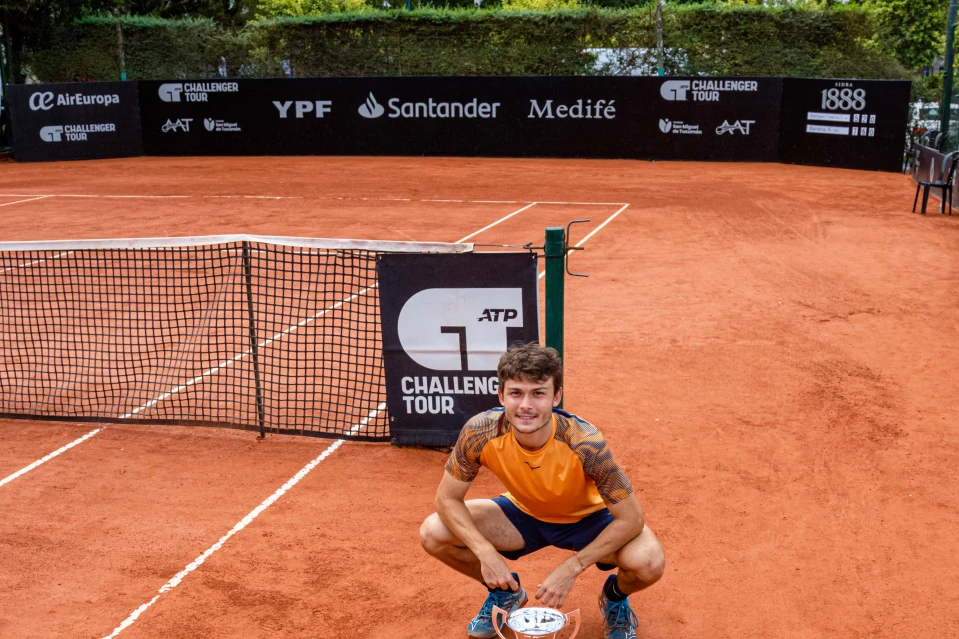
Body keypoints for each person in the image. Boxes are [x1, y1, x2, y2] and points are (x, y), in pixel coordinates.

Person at [419, 343, 665, 639]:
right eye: (516, 393)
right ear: (501, 395)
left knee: (648, 562)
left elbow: (632, 519)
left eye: (538, 393)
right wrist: (485, 553)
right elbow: (446, 499)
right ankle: (505, 593)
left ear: (556, 396)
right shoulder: (480, 432)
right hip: (524, 515)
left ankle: (614, 597)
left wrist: (573, 566)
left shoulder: (585, 442)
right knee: (434, 532)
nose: (526, 405)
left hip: (590, 521)